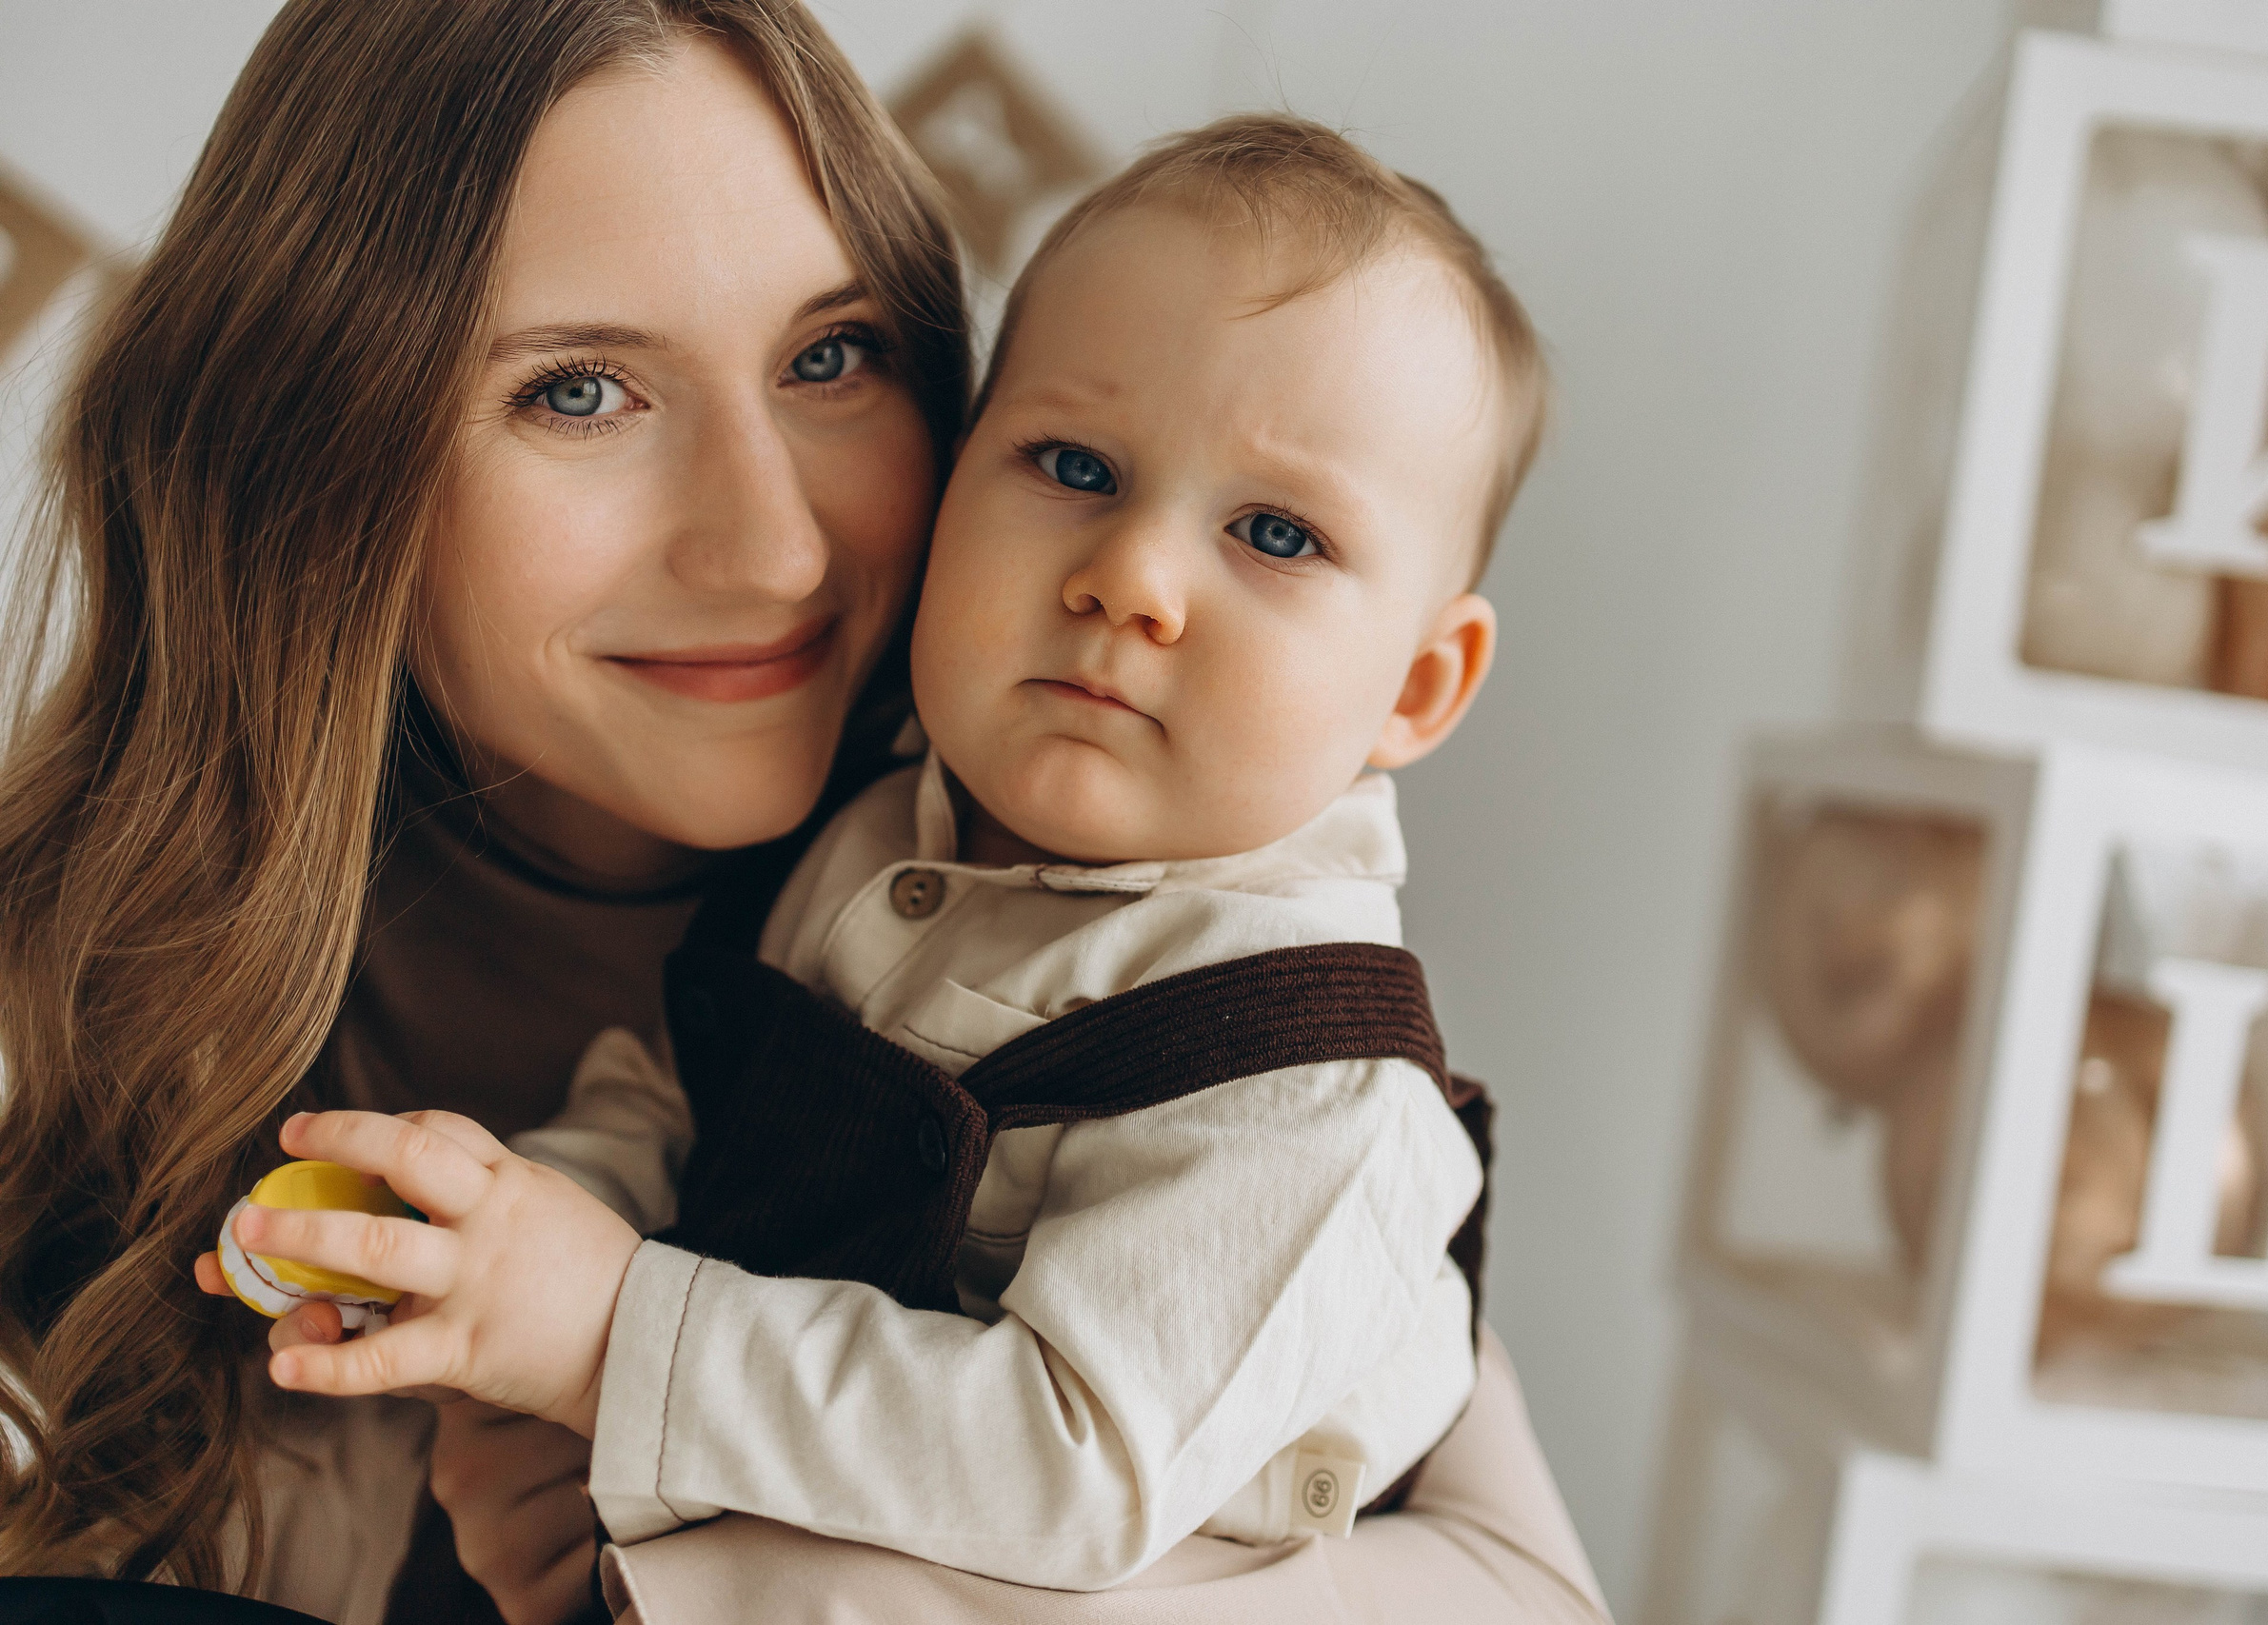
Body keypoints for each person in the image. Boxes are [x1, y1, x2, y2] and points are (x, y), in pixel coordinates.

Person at [0, 1, 1603, 1620]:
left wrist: (724, 1535)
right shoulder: (894, 870)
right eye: (577, 393)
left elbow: (1515, 1593)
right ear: (310, 454)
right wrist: (502, 1239)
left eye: (829, 358)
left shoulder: (1223, 1021)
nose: (771, 551)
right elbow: (667, 1110)